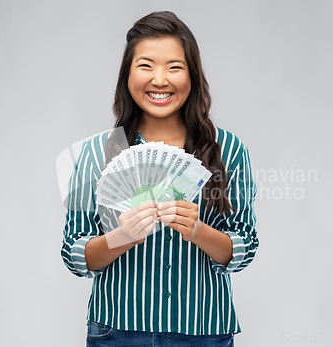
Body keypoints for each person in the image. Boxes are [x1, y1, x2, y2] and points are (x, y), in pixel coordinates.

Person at [61, 11, 259, 347]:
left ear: (192, 76)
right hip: (117, 331)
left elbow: (244, 245)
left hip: (203, 330)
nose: (160, 79)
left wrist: (198, 231)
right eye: (146, 65)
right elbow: (74, 252)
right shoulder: (95, 153)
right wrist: (121, 237)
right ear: (127, 75)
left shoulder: (228, 149)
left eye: (174, 67)